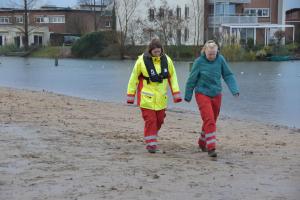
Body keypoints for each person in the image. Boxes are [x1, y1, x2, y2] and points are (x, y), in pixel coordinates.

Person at [184, 40, 239, 157]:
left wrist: (234, 90)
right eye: (210, 54)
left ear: (217, 52)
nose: (212, 56)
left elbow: (228, 75)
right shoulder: (199, 62)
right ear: (205, 52)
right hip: (202, 93)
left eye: (214, 54)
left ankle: (202, 142)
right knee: (209, 119)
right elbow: (192, 79)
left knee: (212, 120)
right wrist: (188, 95)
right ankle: (211, 147)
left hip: (216, 94)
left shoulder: (221, 60)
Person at [126, 38, 182, 153]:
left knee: (160, 120)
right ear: (150, 51)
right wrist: (130, 95)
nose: (157, 53)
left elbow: (173, 77)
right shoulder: (141, 61)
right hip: (146, 99)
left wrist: (176, 94)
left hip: (161, 99)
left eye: (159, 51)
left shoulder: (168, 60)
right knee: (150, 120)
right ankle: (151, 144)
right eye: (155, 52)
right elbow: (133, 78)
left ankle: (151, 136)